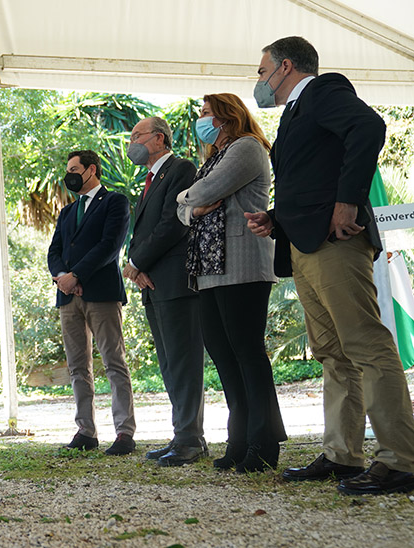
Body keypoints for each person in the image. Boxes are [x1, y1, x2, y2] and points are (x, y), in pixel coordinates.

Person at [247, 36, 414, 494]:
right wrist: (276, 218)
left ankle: (401, 458)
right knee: (332, 352)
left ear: (285, 67)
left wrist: (347, 202)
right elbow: (310, 178)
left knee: (366, 345)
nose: (259, 82)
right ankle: (343, 455)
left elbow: (369, 128)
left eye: (261, 72)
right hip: (306, 243)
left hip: (338, 239)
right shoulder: (296, 114)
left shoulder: (323, 91)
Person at [176, 94, 286, 473]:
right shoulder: (212, 159)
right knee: (223, 354)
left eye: (206, 114)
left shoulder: (247, 147)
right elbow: (184, 210)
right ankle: (239, 440)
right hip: (208, 267)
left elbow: (201, 196)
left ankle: (263, 442)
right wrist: (191, 204)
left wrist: (190, 201)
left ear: (226, 116)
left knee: (247, 352)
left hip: (242, 264)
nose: (201, 120)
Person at [123, 117, 207, 467]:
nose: (132, 142)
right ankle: (181, 435)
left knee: (185, 360)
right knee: (169, 363)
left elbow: (173, 222)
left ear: (159, 139)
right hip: (154, 282)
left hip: (176, 281)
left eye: (137, 136)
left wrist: (137, 261)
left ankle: (191, 438)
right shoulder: (149, 178)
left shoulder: (181, 169)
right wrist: (137, 265)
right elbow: (143, 229)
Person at [48, 150, 136, 455]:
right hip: (68, 297)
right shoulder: (67, 212)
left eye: (74, 169)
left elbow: (110, 246)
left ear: (91, 170)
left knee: (114, 361)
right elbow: (54, 251)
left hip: (101, 293)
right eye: (67, 169)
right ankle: (85, 430)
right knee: (77, 366)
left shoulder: (115, 202)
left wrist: (77, 275)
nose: (69, 175)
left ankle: (124, 432)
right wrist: (62, 277)